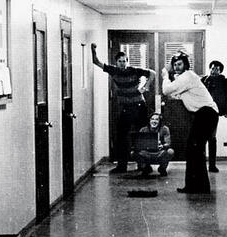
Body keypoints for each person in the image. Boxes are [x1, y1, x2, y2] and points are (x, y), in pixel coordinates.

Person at [91, 43, 156, 173]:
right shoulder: (113, 70)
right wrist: (93, 50)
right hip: (126, 108)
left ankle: (144, 165)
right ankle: (122, 166)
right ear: (116, 62)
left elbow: (152, 73)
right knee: (121, 136)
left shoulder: (134, 70)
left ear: (127, 61)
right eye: (119, 61)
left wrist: (146, 86)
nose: (122, 63)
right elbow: (96, 61)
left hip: (139, 107)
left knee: (141, 135)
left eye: (124, 61)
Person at [161, 51, 219, 194]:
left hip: (206, 113)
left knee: (194, 149)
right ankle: (196, 186)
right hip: (204, 114)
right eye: (174, 65)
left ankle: (199, 187)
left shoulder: (187, 76)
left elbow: (166, 90)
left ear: (185, 64)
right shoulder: (186, 77)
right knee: (193, 149)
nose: (176, 67)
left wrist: (164, 75)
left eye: (179, 64)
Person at [131, 113, 174, 177]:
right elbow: (138, 144)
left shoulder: (165, 129)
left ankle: (162, 168)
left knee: (170, 151)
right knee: (133, 153)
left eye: (157, 119)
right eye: (152, 119)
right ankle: (145, 167)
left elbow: (168, 143)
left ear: (160, 121)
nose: (154, 121)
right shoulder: (143, 129)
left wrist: (162, 145)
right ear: (149, 121)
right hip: (146, 153)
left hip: (159, 152)